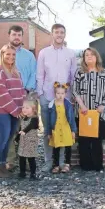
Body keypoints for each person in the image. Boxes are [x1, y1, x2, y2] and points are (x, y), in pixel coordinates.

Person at [0, 25, 37, 170]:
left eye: (19, 35)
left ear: (22, 37)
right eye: (14, 35)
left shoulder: (29, 56)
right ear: (9, 36)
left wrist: (26, 90)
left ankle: (28, 160)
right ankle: (10, 160)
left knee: (27, 129)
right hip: (7, 99)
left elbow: (34, 74)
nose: (16, 37)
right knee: (10, 129)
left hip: (27, 96)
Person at [36, 23, 77, 172]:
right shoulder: (44, 53)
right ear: (52, 34)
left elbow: (73, 75)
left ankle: (62, 162)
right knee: (49, 130)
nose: (59, 35)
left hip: (64, 99)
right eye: (56, 32)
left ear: (64, 35)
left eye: (62, 32)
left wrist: (71, 94)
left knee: (64, 128)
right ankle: (49, 162)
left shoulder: (70, 53)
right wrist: (40, 94)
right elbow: (40, 74)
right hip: (47, 97)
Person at [0, 44, 25, 178]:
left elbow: (20, 91)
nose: (11, 57)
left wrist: (22, 108)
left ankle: (2, 165)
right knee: (0, 139)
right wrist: (15, 110)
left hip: (13, 112)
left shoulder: (15, 71)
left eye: (13, 54)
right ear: (1, 55)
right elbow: (1, 93)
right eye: (7, 54)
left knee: (7, 140)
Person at [72, 47, 105, 171]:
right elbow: (74, 90)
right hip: (83, 112)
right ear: (84, 58)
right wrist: (82, 105)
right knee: (83, 139)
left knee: (96, 139)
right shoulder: (79, 72)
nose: (89, 57)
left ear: (96, 57)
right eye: (87, 55)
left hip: (97, 112)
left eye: (92, 55)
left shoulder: (104, 73)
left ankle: (97, 165)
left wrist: (103, 105)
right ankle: (85, 165)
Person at [48, 82, 77, 174]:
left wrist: (73, 130)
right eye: (58, 93)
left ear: (65, 94)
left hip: (66, 128)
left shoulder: (68, 104)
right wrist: (49, 132)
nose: (60, 95)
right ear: (55, 93)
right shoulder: (52, 105)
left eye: (62, 93)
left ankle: (67, 164)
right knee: (56, 147)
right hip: (56, 129)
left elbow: (71, 118)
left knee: (68, 146)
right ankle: (56, 165)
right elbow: (49, 120)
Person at [17, 93, 40, 180]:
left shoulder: (34, 118)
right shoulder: (23, 118)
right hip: (23, 142)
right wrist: (17, 137)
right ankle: (22, 172)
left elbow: (31, 126)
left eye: (27, 108)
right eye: (23, 107)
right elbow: (21, 128)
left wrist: (24, 131)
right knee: (21, 157)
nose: (24, 109)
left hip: (31, 142)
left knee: (31, 158)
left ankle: (33, 173)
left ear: (33, 109)